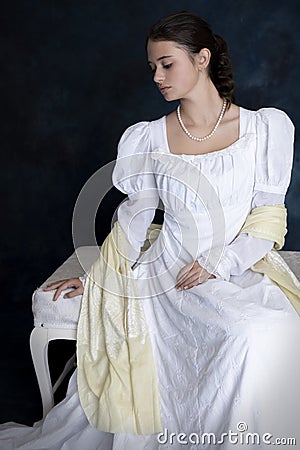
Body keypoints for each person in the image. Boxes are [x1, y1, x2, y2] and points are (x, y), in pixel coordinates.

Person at [1, 11, 300, 450]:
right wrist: (93, 275)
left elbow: (269, 217)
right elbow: (135, 219)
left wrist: (222, 262)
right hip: (172, 276)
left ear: (202, 59)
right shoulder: (148, 138)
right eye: (152, 68)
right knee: (244, 334)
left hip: (239, 264)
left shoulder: (264, 128)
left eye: (167, 64)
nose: (157, 76)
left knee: (273, 328)